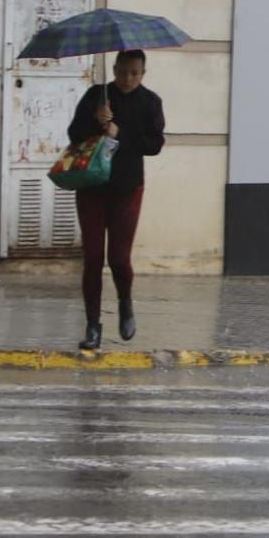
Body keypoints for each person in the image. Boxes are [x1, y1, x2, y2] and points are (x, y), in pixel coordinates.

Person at [67, 50, 165, 350]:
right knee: (93, 258)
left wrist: (119, 134)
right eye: (122, 72)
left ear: (143, 74)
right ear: (114, 69)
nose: (127, 79)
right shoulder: (97, 95)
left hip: (127, 187)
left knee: (119, 258)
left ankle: (125, 302)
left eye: (134, 73)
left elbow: (154, 144)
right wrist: (96, 123)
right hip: (92, 186)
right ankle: (93, 325)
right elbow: (74, 135)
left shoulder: (151, 102)